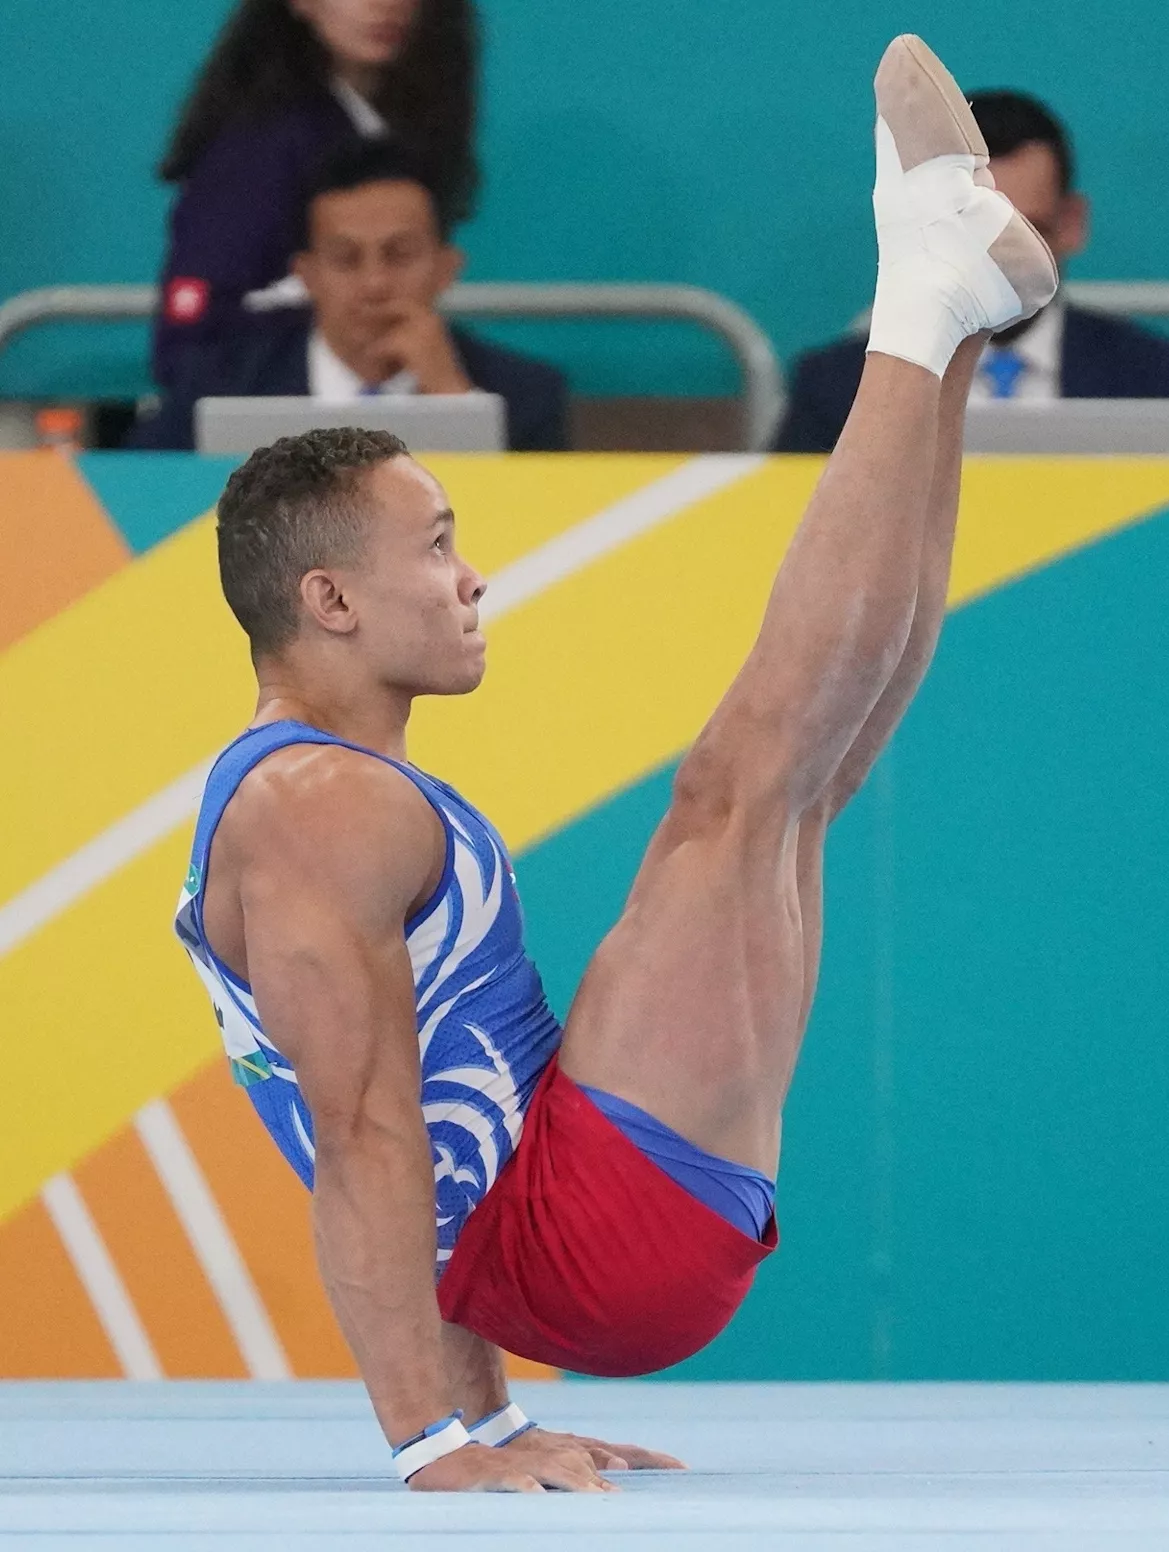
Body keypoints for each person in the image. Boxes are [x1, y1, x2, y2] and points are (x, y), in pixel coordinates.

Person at [173, 37, 1056, 1490]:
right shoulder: (313, 805)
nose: (473, 580)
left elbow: (422, 1147)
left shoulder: (331, 794)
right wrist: (436, 1442)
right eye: (438, 543)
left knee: (804, 782)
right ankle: (927, 299)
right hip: (591, 1230)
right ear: (327, 601)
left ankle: (952, 334)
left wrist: (502, 1415)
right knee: (739, 789)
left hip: (582, 1226)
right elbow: (366, 1132)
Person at [775, 89, 1169, 453]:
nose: (1000, 261)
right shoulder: (838, 392)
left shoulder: (1164, 380)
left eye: (1028, 231)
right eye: (975, 232)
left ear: (1072, 224)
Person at [130, 139, 568, 452]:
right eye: (346, 258)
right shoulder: (219, 387)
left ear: (445, 268)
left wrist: (454, 402)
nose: (375, 283)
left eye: (399, 254)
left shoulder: (526, 399)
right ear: (306, 274)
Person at [153, 0, 478, 392]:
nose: (385, 6)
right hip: (273, 420)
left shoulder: (411, 130)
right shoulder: (256, 147)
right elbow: (186, 346)